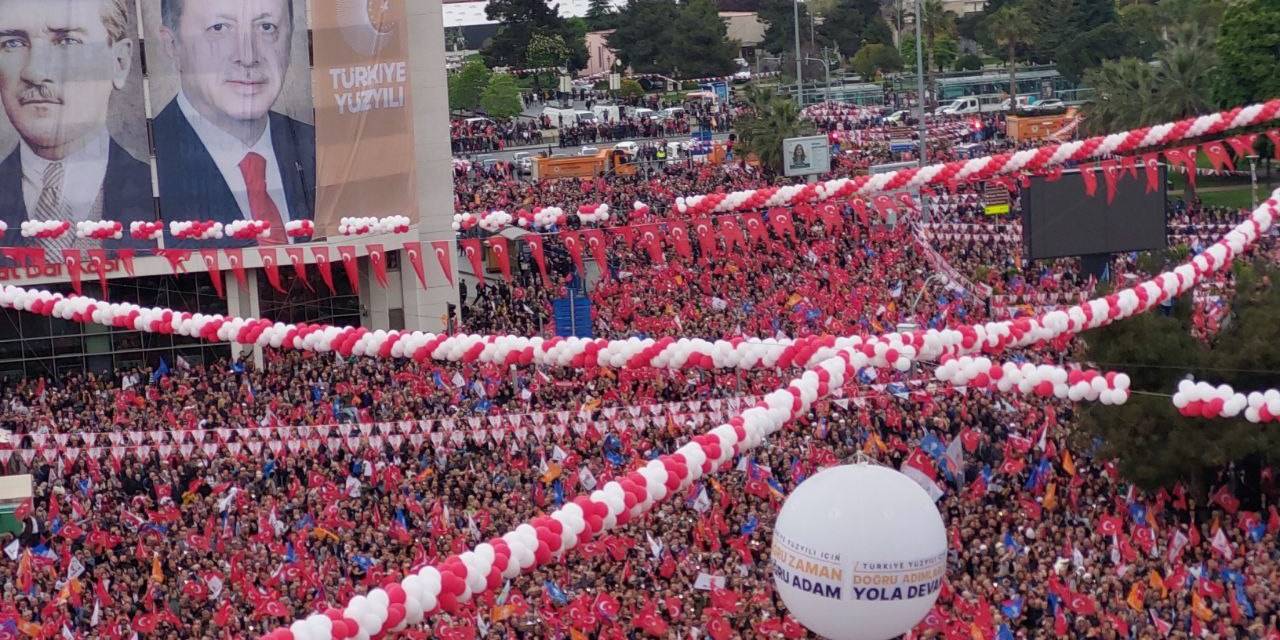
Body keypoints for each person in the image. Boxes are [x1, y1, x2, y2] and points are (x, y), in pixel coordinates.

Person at [151, 0, 315, 248]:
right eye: (219, 28)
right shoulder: (143, 166)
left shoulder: (324, 149)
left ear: (290, 38)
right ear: (172, 45)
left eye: (267, 27)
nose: (248, 57)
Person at [0, 0, 154, 254]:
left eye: (67, 41)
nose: (35, 72)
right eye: (12, 44)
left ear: (119, 62)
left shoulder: (170, 195)